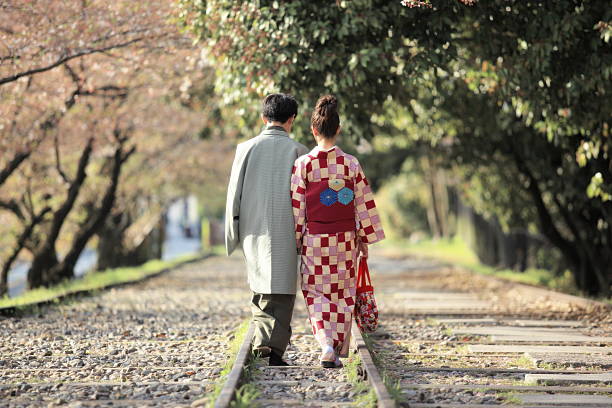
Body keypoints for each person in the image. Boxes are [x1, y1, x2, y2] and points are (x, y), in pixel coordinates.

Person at [290, 95, 385, 368]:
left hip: (315, 239)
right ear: (338, 129)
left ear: (314, 130)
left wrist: (297, 239)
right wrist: (364, 238)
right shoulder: (350, 164)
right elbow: (363, 203)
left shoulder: (303, 164)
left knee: (315, 291)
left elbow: (298, 206)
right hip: (345, 238)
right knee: (343, 292)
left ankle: (326, 344)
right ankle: (337, 343)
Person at [225, 93, 308, 366]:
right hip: (288, 227)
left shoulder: (245, 148)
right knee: (283, 291)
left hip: (253, 227)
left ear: (264, 118)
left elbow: (233, 194)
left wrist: (232, 232)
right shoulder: (299, 151)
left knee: (260, 286)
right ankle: (272, 348)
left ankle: (265, 344)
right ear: (291, 119)